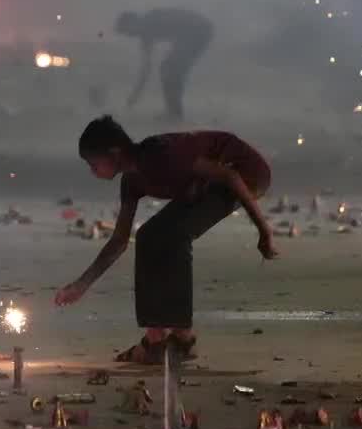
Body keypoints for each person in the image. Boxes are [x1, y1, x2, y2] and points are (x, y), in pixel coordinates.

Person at [54, 115, 278, 364]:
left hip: (246, 172)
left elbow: (230, 177)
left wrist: (264, 231)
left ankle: (183, 338)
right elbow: (119, 240)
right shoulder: (132, 181)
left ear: (114, 154)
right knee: (148, 235)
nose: (92, 171)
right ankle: (156, 337)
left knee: (176, 234)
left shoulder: (161, 155)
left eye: (94, 164)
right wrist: (81, 285)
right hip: (207, 184)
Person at [114, 8, 214, 120]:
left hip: (199, 29)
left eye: (127, 31)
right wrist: (134, 96)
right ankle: (174, 111)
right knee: (171, 69)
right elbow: (146, 69)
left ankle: (174, 112)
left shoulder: (149, 22)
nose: (130, 35)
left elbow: (183, 20)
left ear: (132, 22)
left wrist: (134, 97)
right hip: (198, 30)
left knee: (169, 68)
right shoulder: (146, 30)